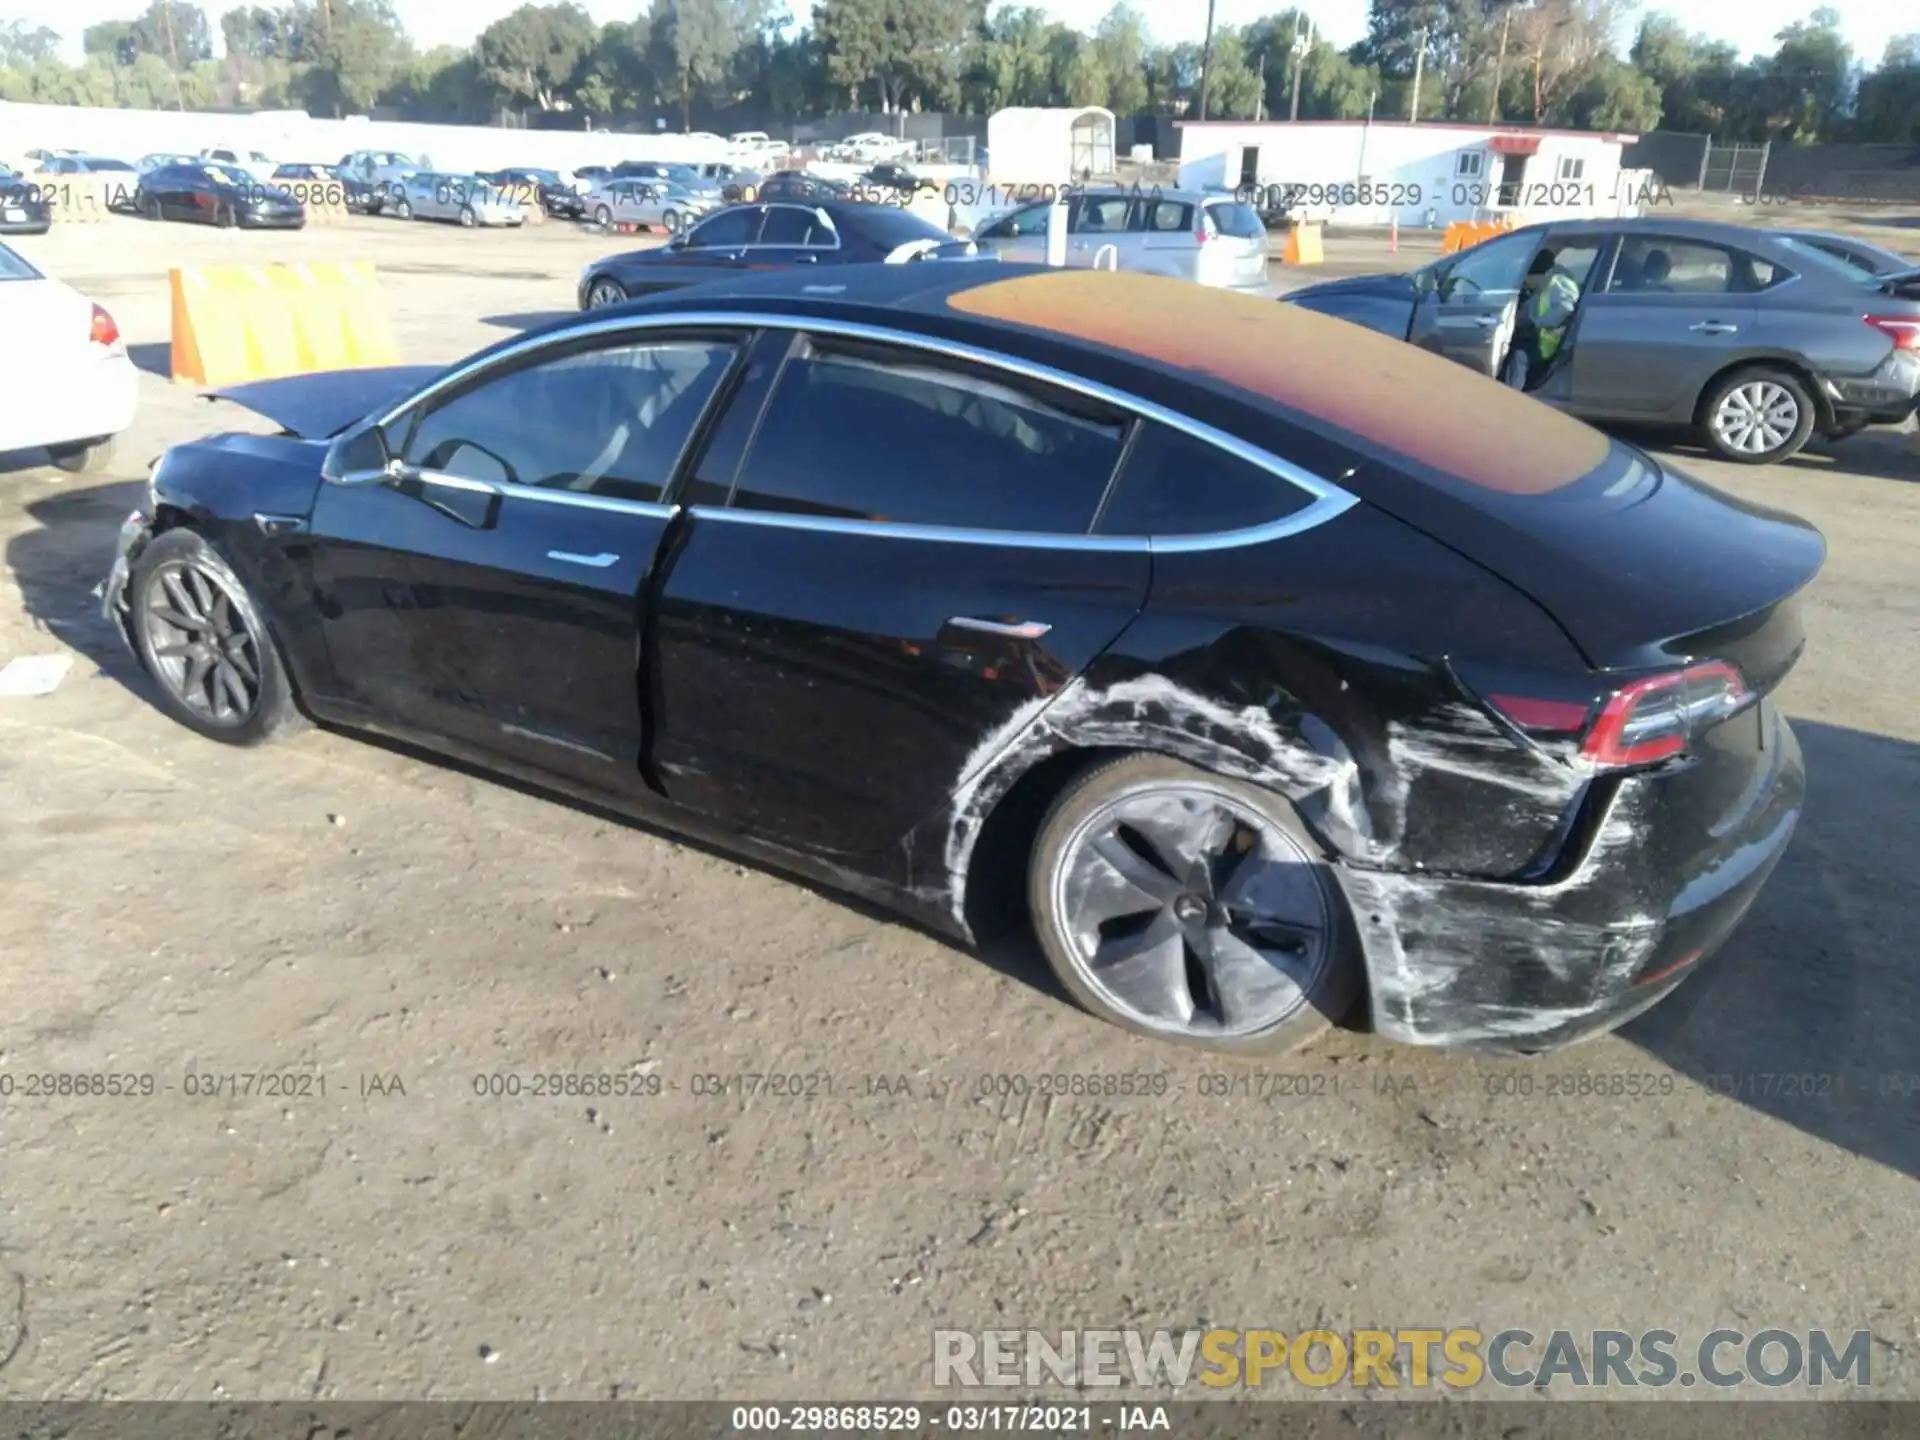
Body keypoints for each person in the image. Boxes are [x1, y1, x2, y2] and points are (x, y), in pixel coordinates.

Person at [1505, 249, 1582, 390]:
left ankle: (1514, 394)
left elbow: (1565, 310)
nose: (1526, 282)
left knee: (1519, 355)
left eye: (1528, 278)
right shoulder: (1542, 287)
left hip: (1551, 346)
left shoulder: (1558, 284)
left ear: (1538, 275)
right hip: (1541, 342)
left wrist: (1536, 322)